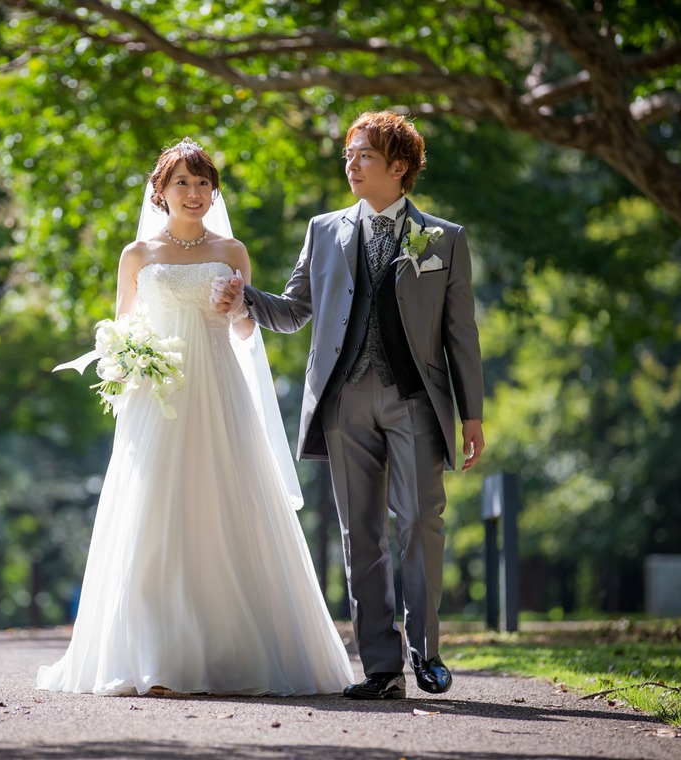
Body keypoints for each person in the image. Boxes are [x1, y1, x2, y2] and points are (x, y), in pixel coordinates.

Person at [38, 138, 353, 696]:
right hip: (157, 401)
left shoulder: (232, 252)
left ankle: (234, 652)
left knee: (224, 504)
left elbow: (246, 333)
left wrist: (238, 310)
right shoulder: (137, 255)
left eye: (203, 183)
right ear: (159, 191)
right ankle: (157, 657)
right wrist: (133, 361)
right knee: (155, 510)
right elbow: (119, 333)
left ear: (214, 191)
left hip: (217, 389)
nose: (194, 193)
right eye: (182, 182)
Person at [212, 111, 485, 700]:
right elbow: (293, 309)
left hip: (416, 399)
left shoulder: (443, 239)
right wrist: (245, 297)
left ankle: (428, 653)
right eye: (349, 155)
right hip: (344, 400)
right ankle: (382, 669)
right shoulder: (324, 229)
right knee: (360, 533)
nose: (351, 164)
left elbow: (460, 333)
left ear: (399, 167)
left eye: (363, 155)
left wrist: (472, 415)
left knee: (419, 524)